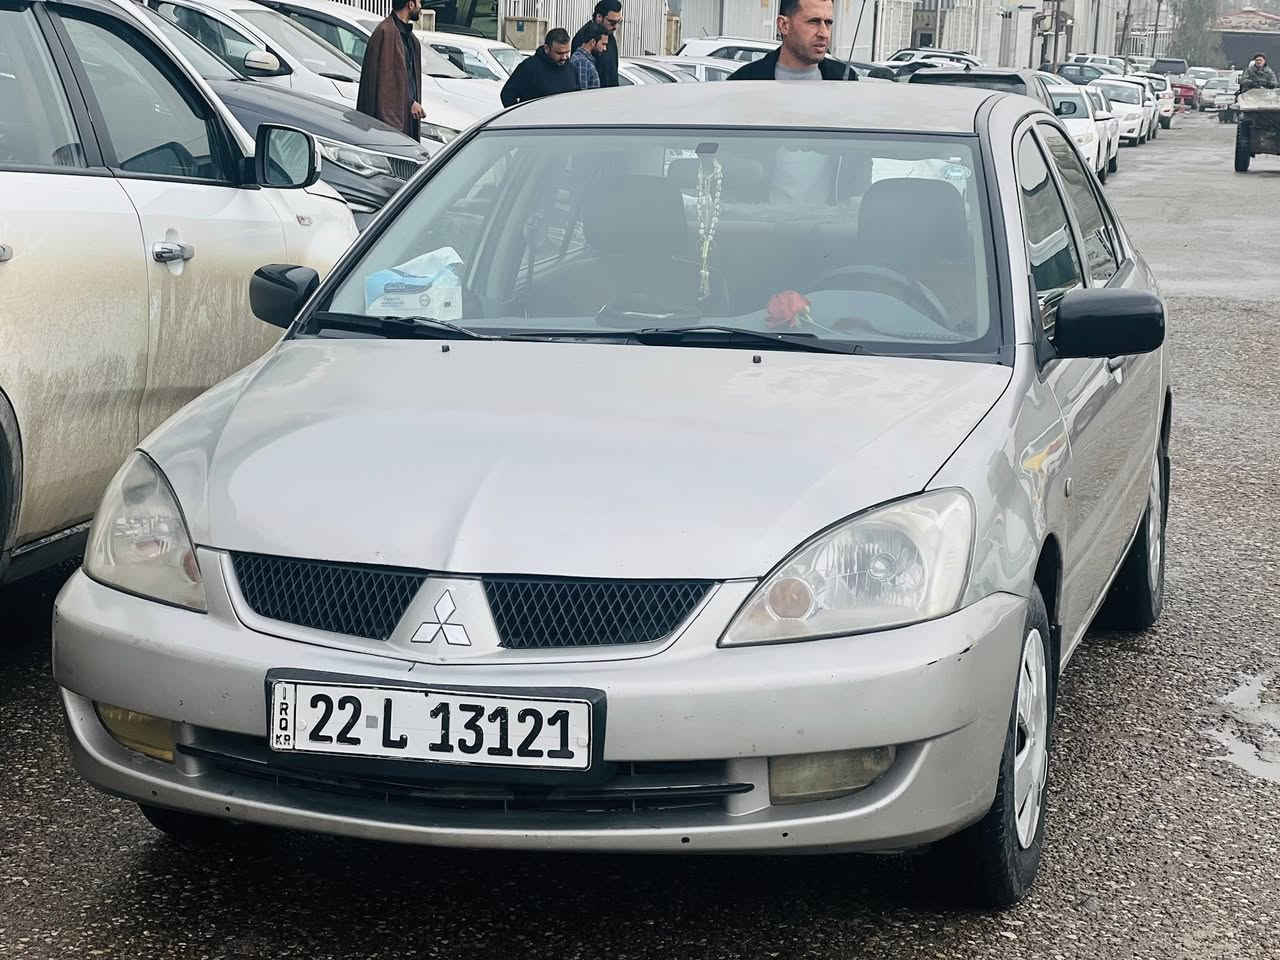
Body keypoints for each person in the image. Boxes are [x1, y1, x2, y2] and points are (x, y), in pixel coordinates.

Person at [725, 0, 857, 81]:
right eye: (813, 22)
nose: (824, 33)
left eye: (828, 23)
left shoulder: (846, 79)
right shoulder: (743, 81)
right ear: (783, 25)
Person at [356, 0, 424, 139]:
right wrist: (410, 102)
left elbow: (407, 78)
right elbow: (386, 83)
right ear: (410, 4)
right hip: (389, 124)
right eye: (418, 2)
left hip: (407, 120)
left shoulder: (410, 39)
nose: (420, 6)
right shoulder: (386, 33)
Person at [500, 29, 579, 107]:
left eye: (567, 52)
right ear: (547, 48)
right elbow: (507, 94)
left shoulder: (571, 68)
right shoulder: (529, 67)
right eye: (559, 53)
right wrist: (521, 114)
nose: (564, 57)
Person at [572, 1, 622, 88]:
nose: (615, 27)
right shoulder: (583, 38)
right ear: (599, 17)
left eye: (618, 22)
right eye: (612, 22)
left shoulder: (609, 35)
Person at [571, 24, 608, 91]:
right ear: (593, 42)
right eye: (603, 44)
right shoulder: (582, 62)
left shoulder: (584, 60)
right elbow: (583, 93)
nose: (605, 48)